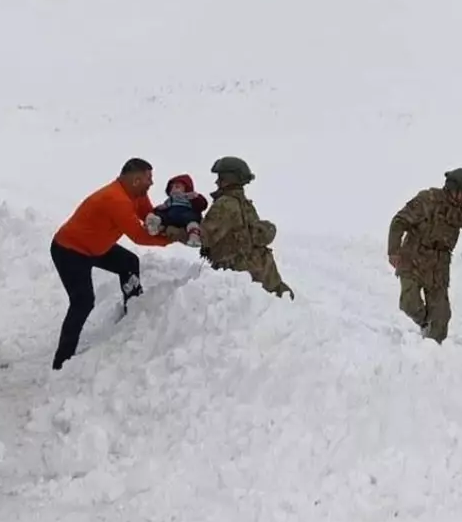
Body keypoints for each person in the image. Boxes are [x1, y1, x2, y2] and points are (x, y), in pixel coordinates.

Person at [49, 158, 180, 370]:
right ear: (136, 179)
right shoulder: (116, 199)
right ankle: (62, 361)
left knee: (128, 262)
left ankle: (134, 312)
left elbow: (148, 216)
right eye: (149, 178)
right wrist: (173, 239)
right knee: (82, 302)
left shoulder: (136, 194)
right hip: (70, 250)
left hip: (97, 246)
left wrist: (175, 221)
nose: (152, 183)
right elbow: (139, 235)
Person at [387, 168, 462, 343]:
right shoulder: (427, 200)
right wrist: (393, 251)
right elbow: (399, 222)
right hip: (413, 258)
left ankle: (435, 355)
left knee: (441, 318)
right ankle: (425, 324)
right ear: (452, 188)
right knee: (409, 303)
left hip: (439, 265)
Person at [199, 156, 294, 299]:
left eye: (221, 177)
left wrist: (175, 229)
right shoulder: (245, 204)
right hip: (262, 271)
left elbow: (203, 237)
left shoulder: (225, 204)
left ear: (229, 179)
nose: (217, 181)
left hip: (236, 278)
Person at [146, 173, 209, 248]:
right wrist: (161, 208)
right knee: (162, 215)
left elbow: (201, 205)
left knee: (192, 219)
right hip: (172, 216)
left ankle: (194, 235)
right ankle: (155, 224)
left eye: (177, 187)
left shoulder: (189, 197)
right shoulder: (171, 200)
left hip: (186, 214)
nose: (174, 189)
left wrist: (196, 197)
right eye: (171, 188)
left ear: (186, 188)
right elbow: (165, 206)